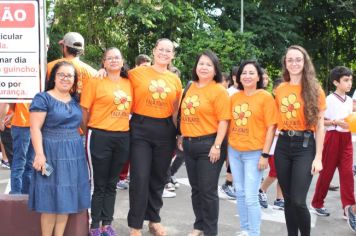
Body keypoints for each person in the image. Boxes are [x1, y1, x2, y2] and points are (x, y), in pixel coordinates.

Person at [28, 61, 90, 236]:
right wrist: (39, 154)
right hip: (50, 152)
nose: (65, 78)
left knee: (66, 200)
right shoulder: (43, 98)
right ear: (53, 77)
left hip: (74, 153)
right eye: (61, 74)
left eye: (69, 75)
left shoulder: (77, 100)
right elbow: (35, 128)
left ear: (74, 80)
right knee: (50, 201)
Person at [127, 38, 182, 236]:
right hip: (140, 128)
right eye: (161, 49)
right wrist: (102, 71)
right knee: (140, 177)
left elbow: (176, 111)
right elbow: (115, 79)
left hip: (165, 130)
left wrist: (179, 134)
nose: (164, 53)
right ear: (154, 51)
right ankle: (135, 225)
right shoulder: (136, 73)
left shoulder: (175, 79)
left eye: (169, 51)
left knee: (159, 177)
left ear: (173, 55)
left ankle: (154, 219)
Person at [274, 45, 326, 236]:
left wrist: (318, 157)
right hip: (283, 145)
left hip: (305, 146)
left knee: (297, 200)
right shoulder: (280, 89)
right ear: (285, 64)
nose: (294, 63)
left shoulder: (315, 89)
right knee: (288, 199)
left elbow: (320, 126)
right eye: (290, 60)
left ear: (305, 63)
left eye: (298, 60)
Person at [81, 47, 132, 236]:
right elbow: (84, 111)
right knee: (98, 184)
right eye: (109, 58)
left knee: (112, 183)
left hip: (122, 136)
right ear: (103, 62)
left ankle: (106, 224)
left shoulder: (129, 82)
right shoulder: (95, 81)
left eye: (116, 57)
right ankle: (94, 225)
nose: (113, 61)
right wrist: (88, 131)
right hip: (99, 135)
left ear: (122, 61)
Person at [179, 50, 230, 236]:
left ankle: (210, 231)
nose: (204, 67)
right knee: (196, 189)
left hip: (210, 144)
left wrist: (217, 145)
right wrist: (181, 135)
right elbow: (183, 114)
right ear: (196, 66)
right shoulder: (190, 87)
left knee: (208, 191)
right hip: (190, 144)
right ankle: (198, 225)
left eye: (209, 64)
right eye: (201, 63)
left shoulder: (219, 91)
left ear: (215, 69)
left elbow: (224, 120)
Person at [228, 60, 278, 236]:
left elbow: (271, 127)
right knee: (240, 193)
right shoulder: (234, 97)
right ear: (238, 77)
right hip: (234, 151)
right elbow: (227, 124)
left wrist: (265, 154)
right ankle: (245, 229)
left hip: (255, 153)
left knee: (250, 197)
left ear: (259, 77)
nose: (247, 76)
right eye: (244, 73)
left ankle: (254, 233)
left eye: (251, 73)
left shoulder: (265, 97)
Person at [310, 66, 354, 217]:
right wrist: (335, 122)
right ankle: (317, 203)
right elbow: (320, 121)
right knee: (326, 173)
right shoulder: (328, 99)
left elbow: (350, 121)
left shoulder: (349, 100)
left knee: (348, 174)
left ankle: (349, 209)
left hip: (346, 139)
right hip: (332, 138)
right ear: (336, 82)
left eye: (351, 80)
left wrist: (349, 124)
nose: (349, 83)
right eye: (346, 80)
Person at [117, 54, 152, 191]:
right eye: (144, 67)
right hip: (127, 117)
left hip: (140, 118)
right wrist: (102, 70)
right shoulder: (130, 76)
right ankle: (121, 176)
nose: (146, 70)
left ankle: (129, 175)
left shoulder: (150, 79)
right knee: (127, 150)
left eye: (148, 67)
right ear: (136, 66)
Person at [258, 78, 285, 210]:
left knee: (283, 172)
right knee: (275, 171)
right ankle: (261, 190)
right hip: (272, 146)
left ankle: (279, 198)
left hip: (284, 145)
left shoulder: (287, 106)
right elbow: (265, 126)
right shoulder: (270, 105)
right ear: (274, 90)